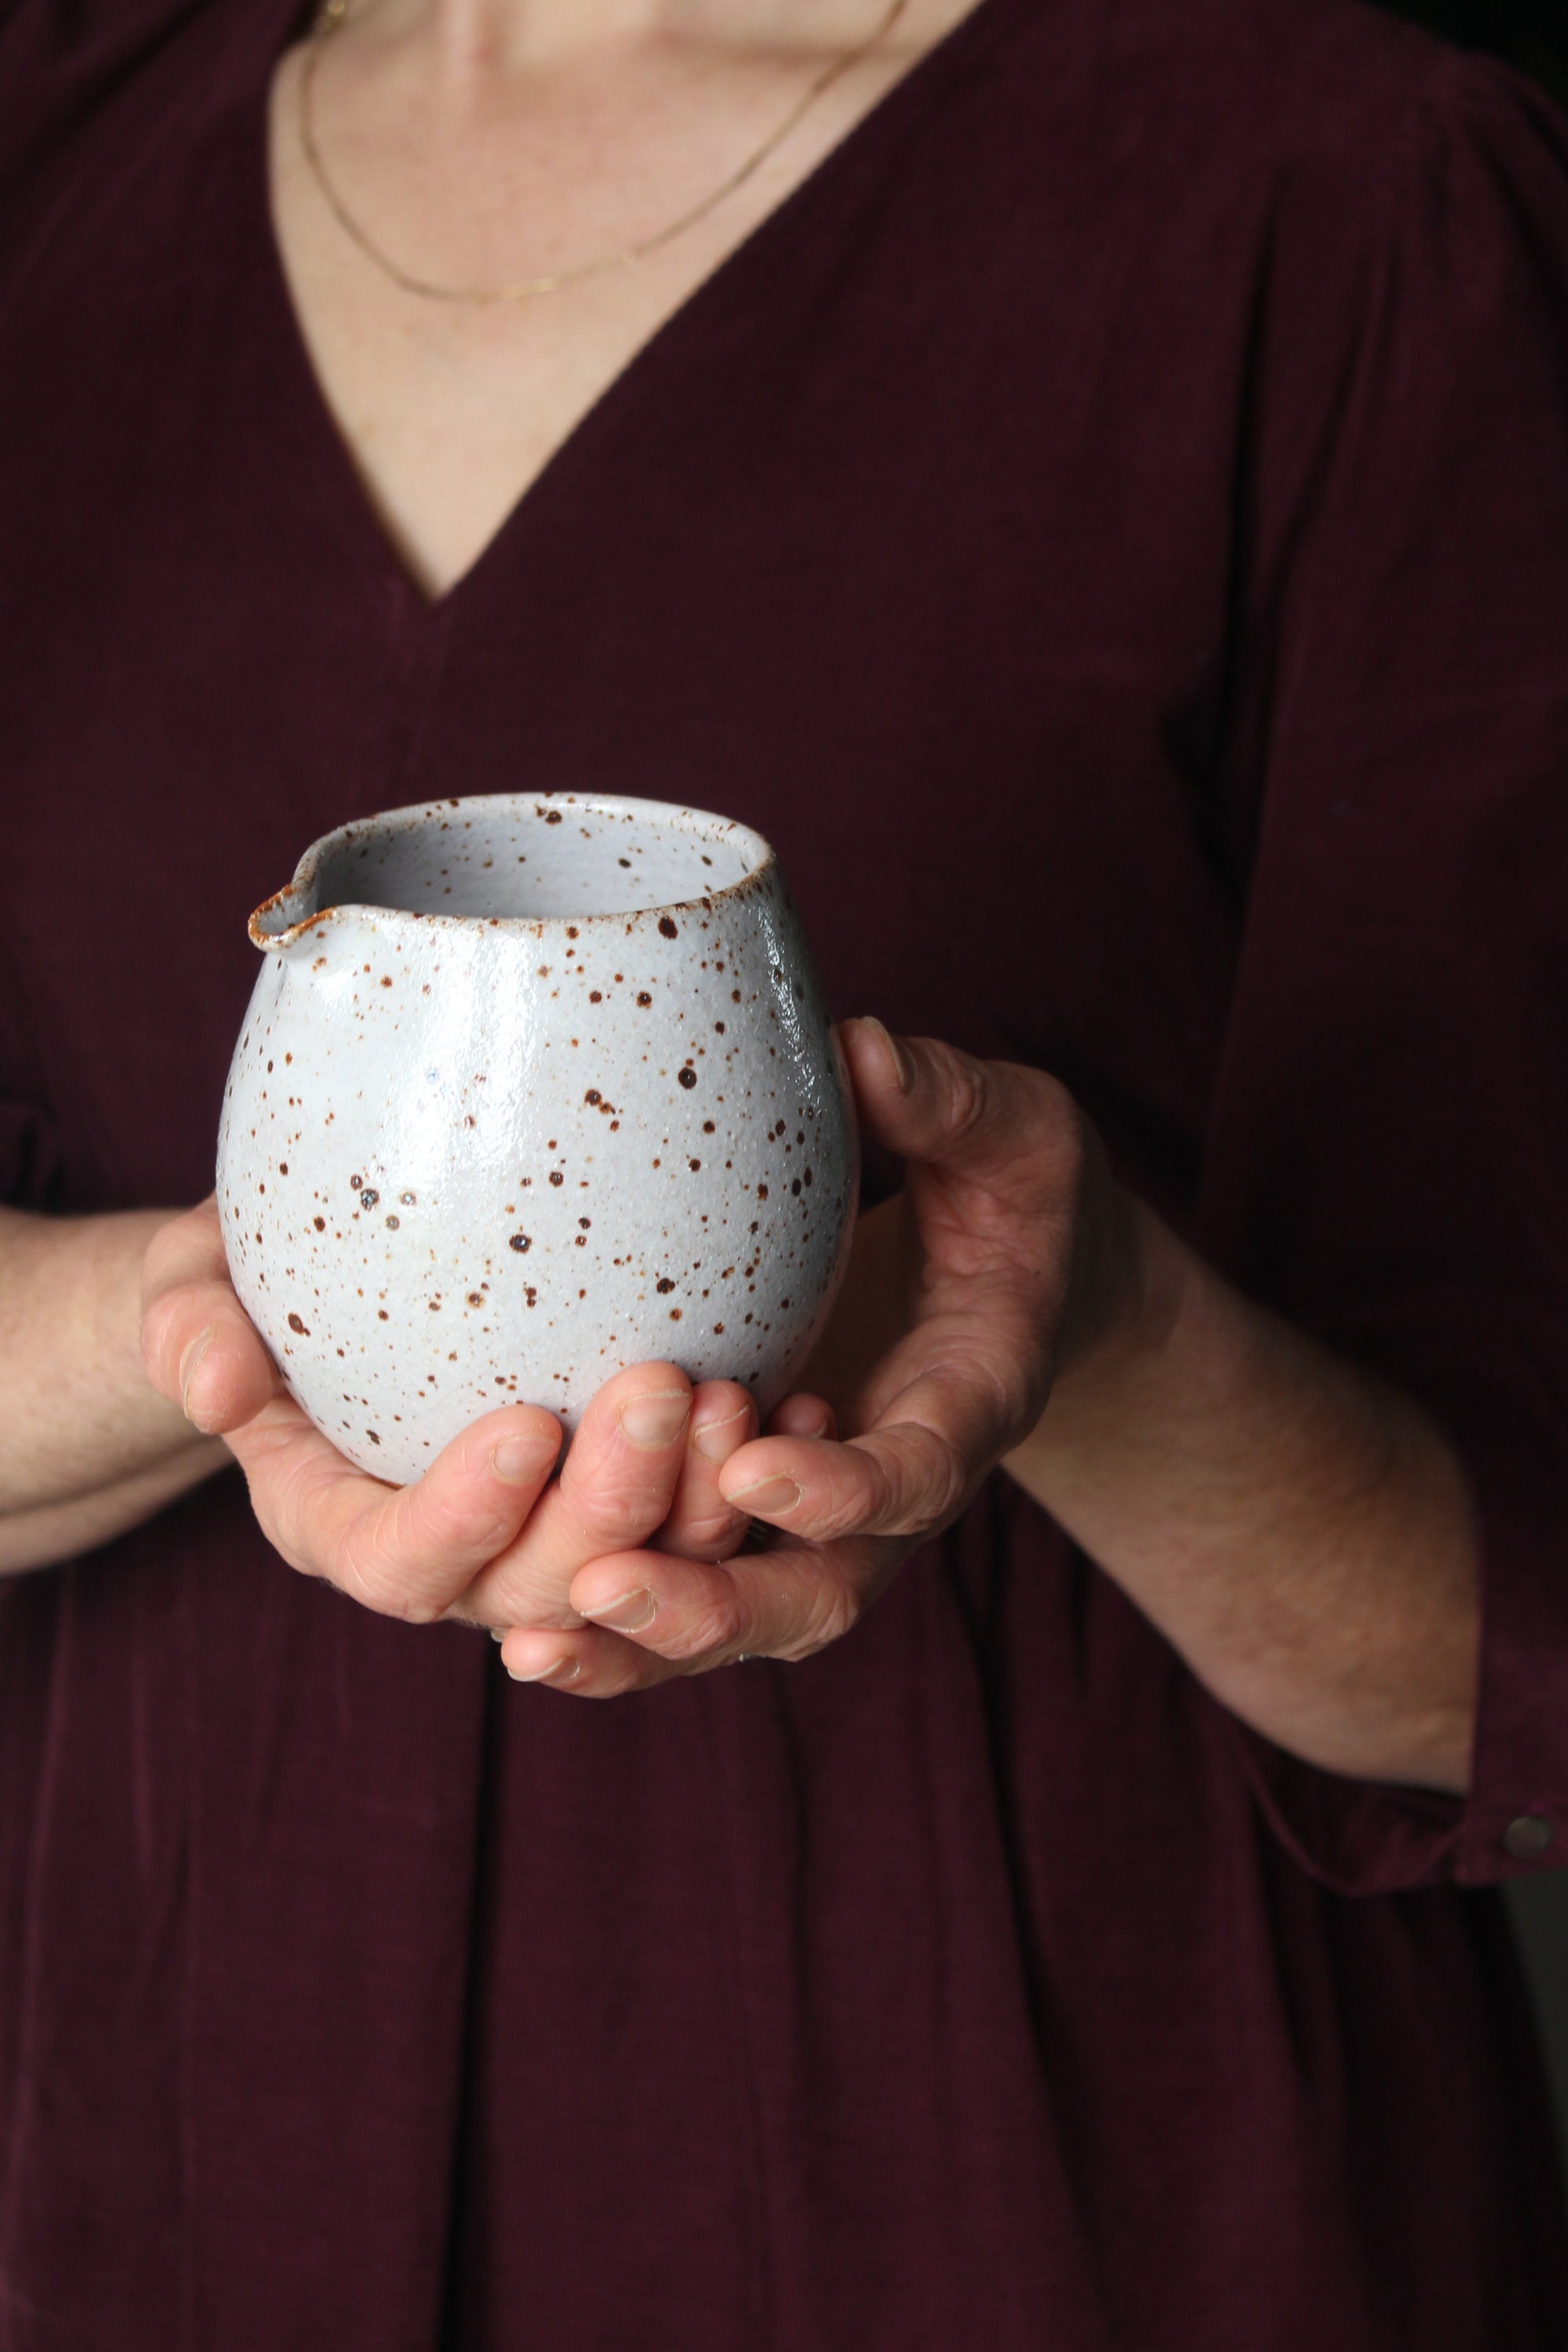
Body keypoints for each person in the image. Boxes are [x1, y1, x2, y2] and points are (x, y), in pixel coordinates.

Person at [2, 0, 1566, 2341]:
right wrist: (270, 1310)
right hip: (172, 2111)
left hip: (1041, 2156)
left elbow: (1489, 1659)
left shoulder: (1347, 193)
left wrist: (1086, 1316)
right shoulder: (49, 151)